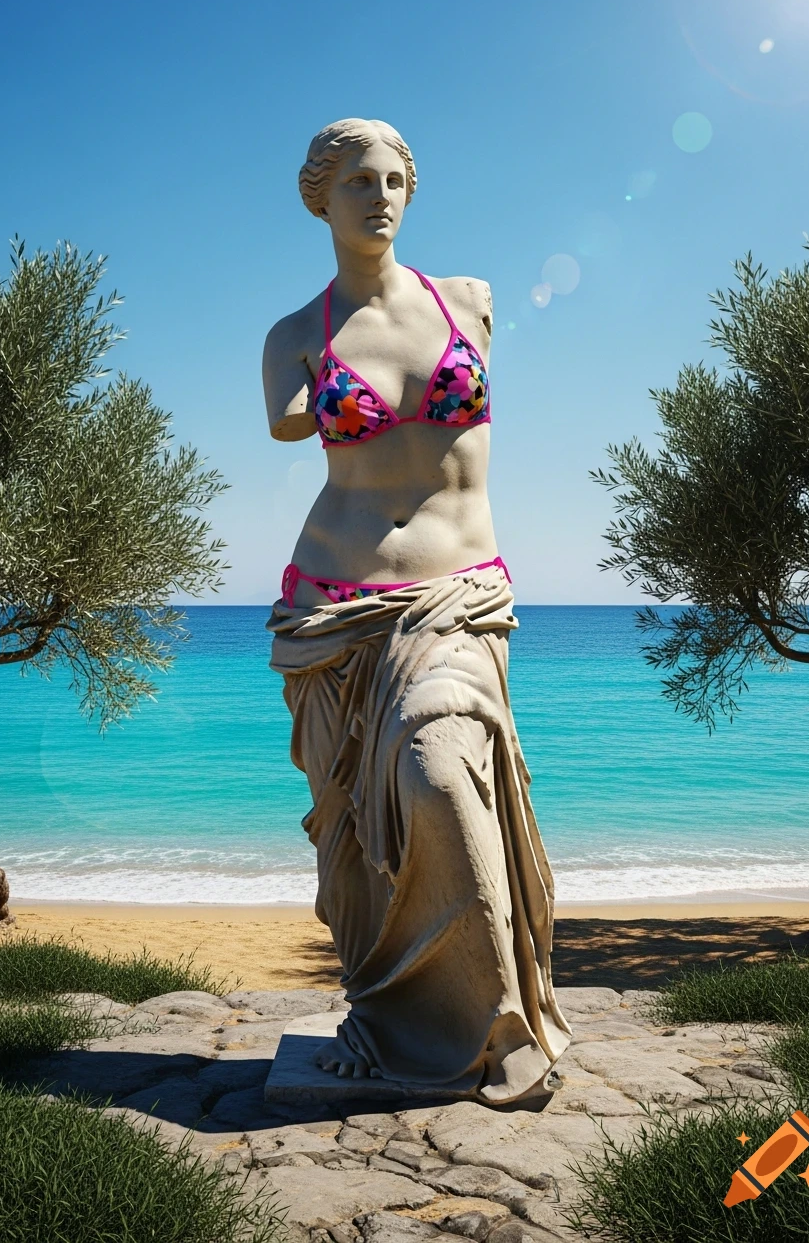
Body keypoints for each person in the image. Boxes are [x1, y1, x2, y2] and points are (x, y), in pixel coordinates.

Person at [263, 118, 571, 1105]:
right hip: (334, 611)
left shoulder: (466, 302)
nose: (381, 197)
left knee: (438, 773)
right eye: (359, 181)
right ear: (320, 196)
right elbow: (286, 424)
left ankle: (499, 1023)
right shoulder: (293, 337)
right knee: (356, 834)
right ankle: (388, 1018)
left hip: (455, 597)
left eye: (395, 180)